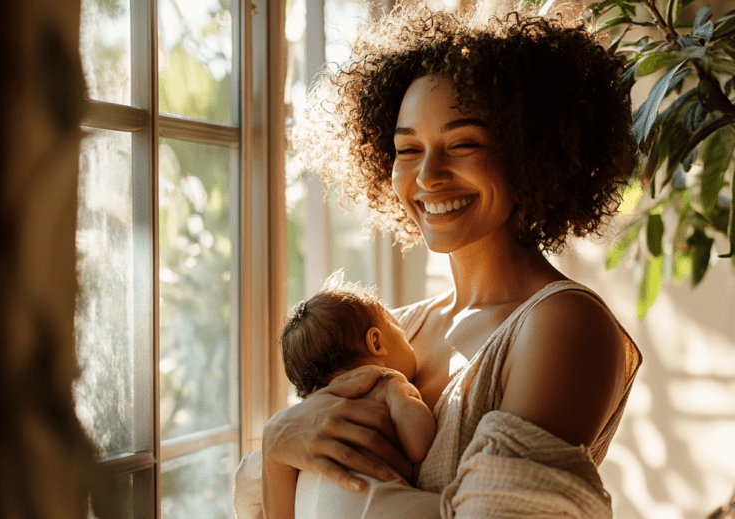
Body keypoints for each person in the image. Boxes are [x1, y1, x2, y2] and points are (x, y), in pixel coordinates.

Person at [234, 4, 642, 518]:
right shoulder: (393, 328)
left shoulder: (562, 325)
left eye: (463, 143)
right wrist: (275, 448)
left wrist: (282, 450)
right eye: (408, 150)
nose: (428, 175)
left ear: (530, 151)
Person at [272, 272, 436, 519]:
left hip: (314, 509)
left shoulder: (310, 416)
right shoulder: (385, 382)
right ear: (376, 343)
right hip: (373, 507)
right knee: (452, 508)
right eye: (400, 333)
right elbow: (419, 446)